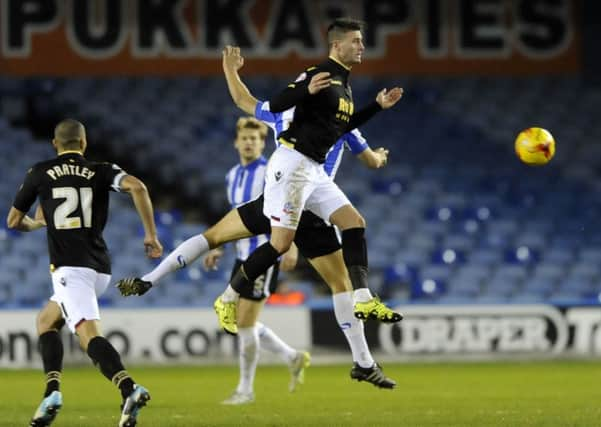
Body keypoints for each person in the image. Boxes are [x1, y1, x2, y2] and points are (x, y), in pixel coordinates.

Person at [116, 42, 399, 388]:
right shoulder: (330, 122)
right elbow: (370, 160)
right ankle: (361, 358)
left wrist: (231, 72)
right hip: (294, 194)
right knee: (333, 279)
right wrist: (379, 155)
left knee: (224, 238)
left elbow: (246, 101)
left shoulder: (302, 118)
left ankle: (361, 358)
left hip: (299, 194)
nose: (250, 142)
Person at [213, 17, 402, 333]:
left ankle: (364, 297)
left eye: (361, 41)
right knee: (280, 244)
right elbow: (260, 103)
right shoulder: (316, 79)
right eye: (355, 41)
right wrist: (232, 72)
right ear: (336, 45)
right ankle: (228, 297)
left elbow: (342, 127)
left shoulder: (343, 87)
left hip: (314, 173)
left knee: (354, 222)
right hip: (293, 167)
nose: (362, 46)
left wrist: (377, 106)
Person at [6, 119, 163, 427]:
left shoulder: (39, 173)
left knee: (88, 337)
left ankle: (129, 388)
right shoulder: (101, 170)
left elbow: (13, 222)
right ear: (84, 143)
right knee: (46, 321)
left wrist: (39, 222)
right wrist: (151, 235)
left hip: (70, 269)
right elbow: (138, 187)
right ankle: (52, 391)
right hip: (99, 268)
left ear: (55, 144)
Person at [205, 116, 311, 404]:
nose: (250, 142)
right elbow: (237, 218)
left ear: (263, 143)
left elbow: (291, 207)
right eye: (245, 138)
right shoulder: (231, 176)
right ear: (236, 142)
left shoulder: (270, 172)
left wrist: (291, 246)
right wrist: (218, 246)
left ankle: (246, 390)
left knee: (246, 323)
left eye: (256, 138)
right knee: (241, 322)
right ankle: (292, 357)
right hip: (240, 256)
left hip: (264, 254)